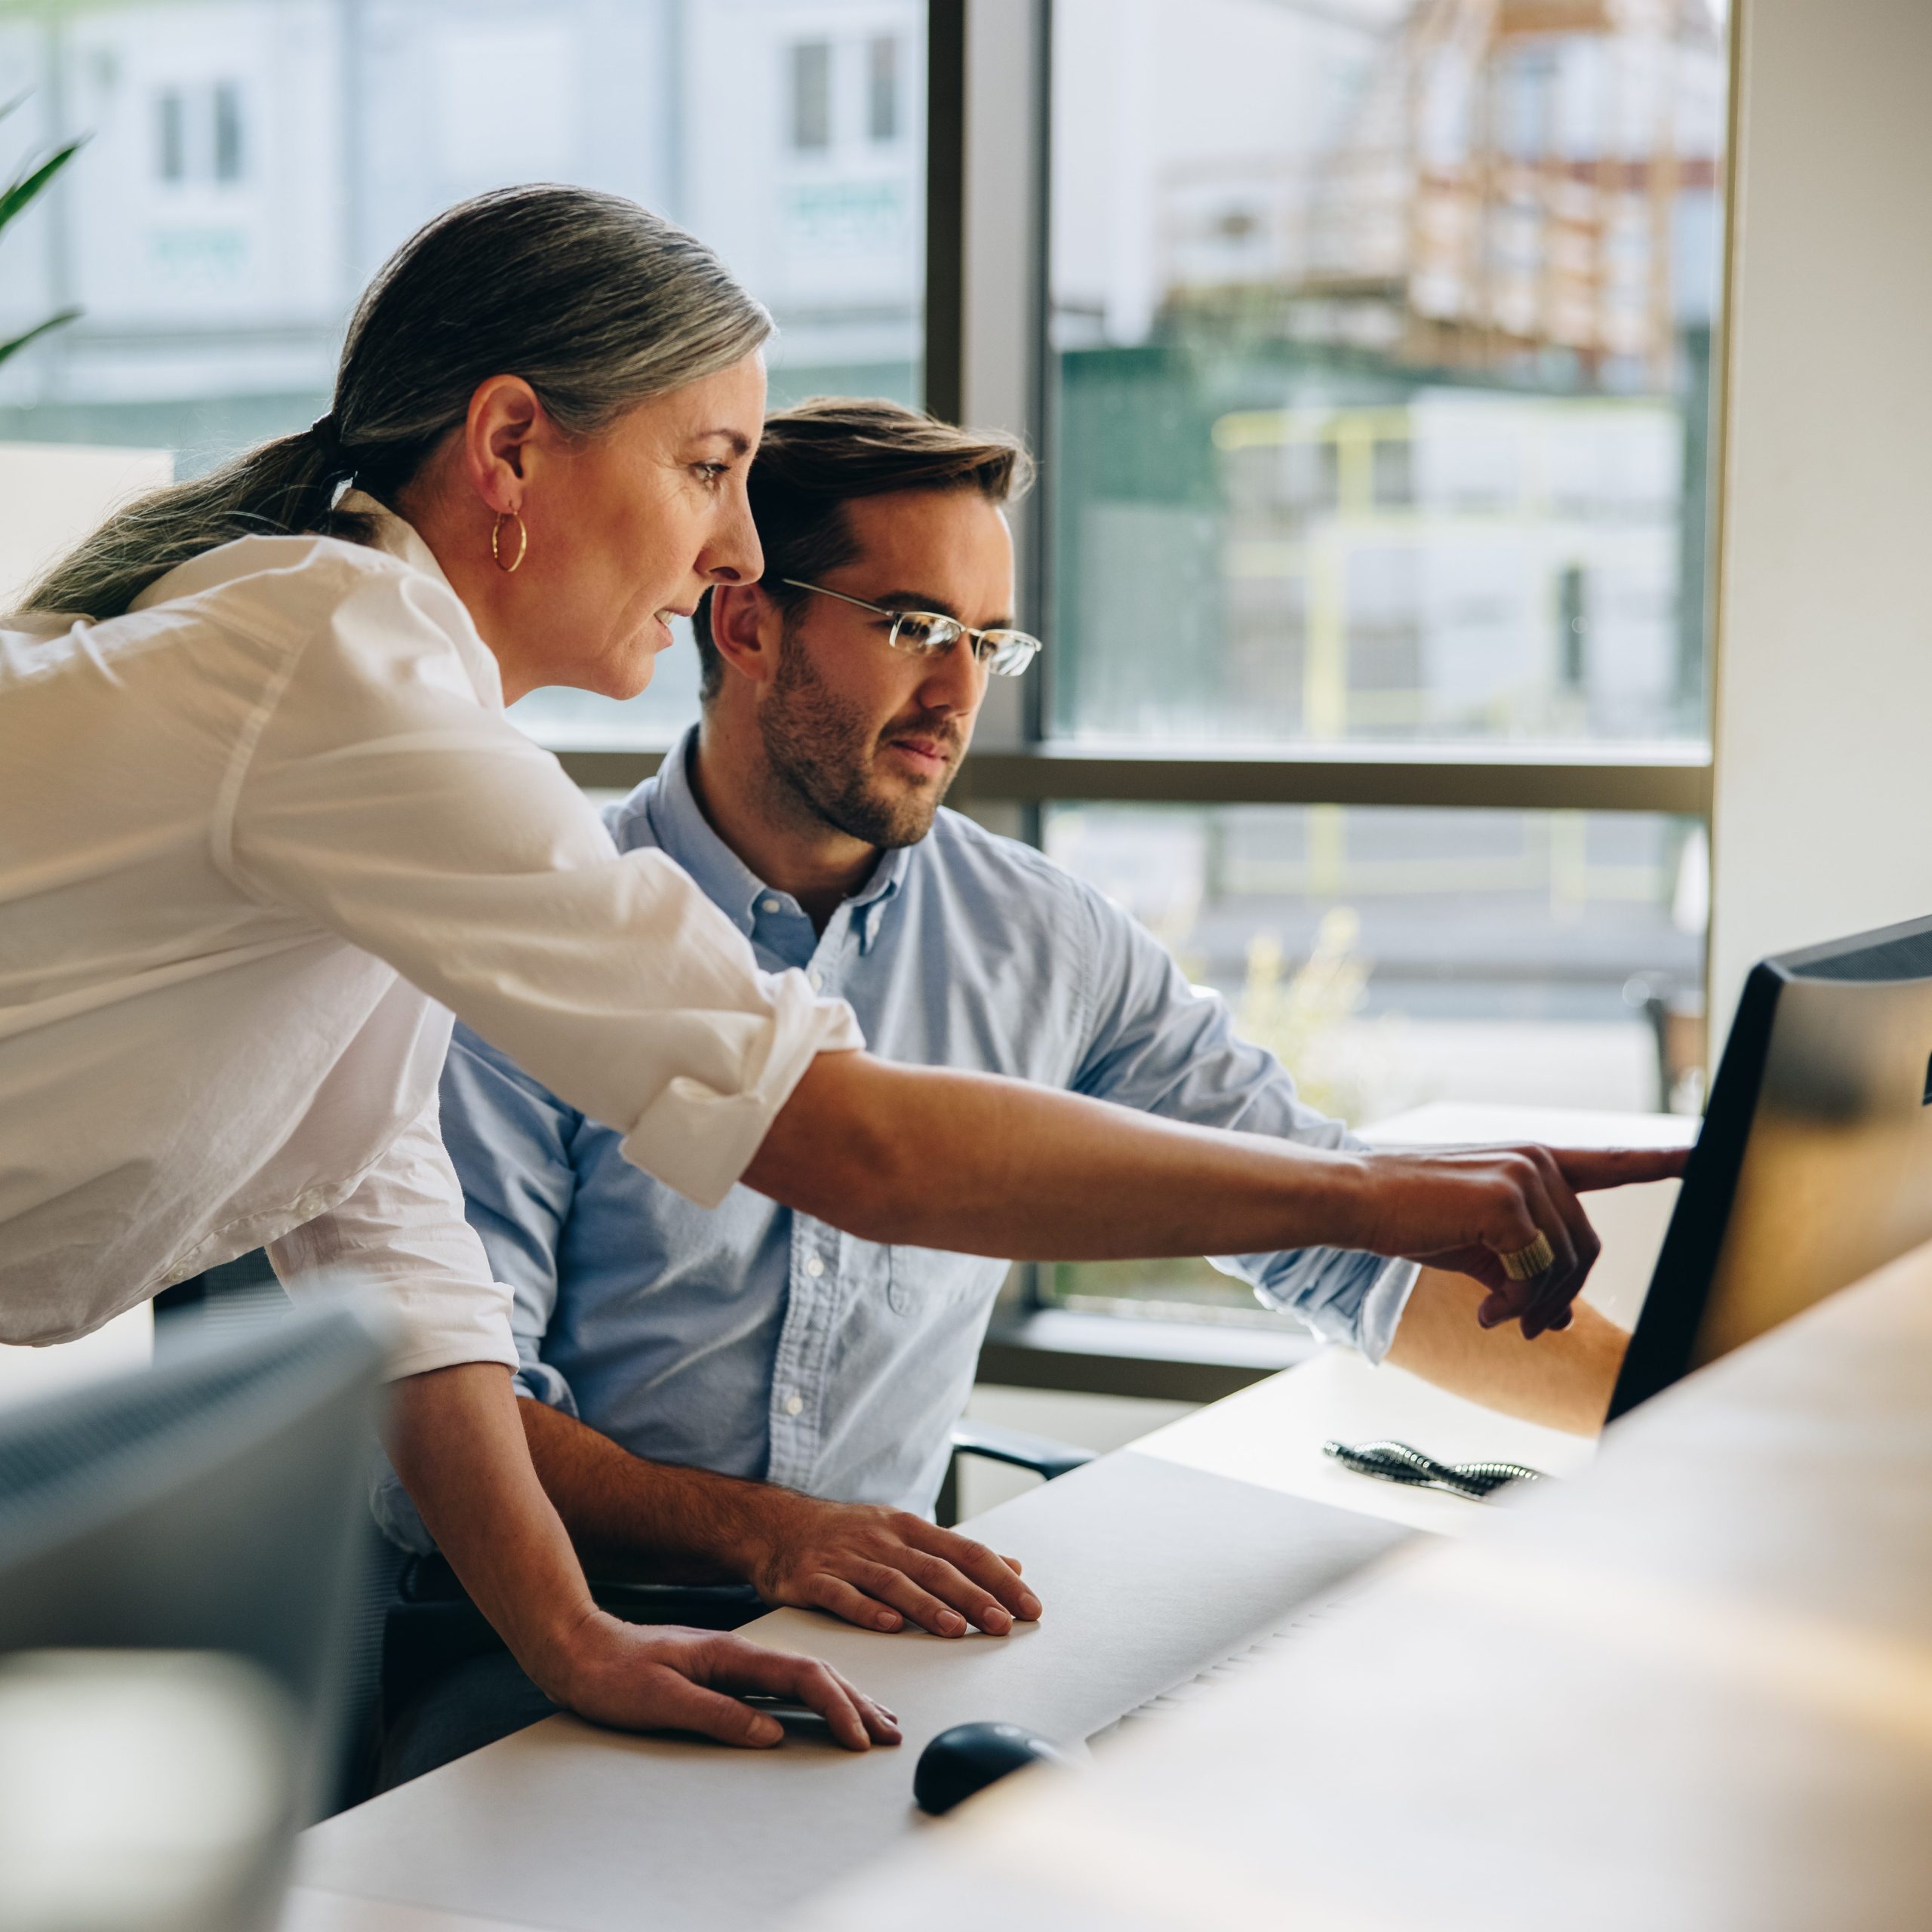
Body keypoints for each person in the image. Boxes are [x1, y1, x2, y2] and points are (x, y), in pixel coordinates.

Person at [0, 186, 1677, 1756]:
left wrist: (579, 1638)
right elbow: (846, 1140)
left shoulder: (378, 719)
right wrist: (1379, 1194)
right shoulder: (346, 675)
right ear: (510, 444)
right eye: (707, 465)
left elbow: (380, 1221)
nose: (733, 548)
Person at [371, 398, 1670, 1771]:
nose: (960, 695)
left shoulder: (1044, 940)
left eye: (988, 643)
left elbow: (1343, 1248)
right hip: (540, 1636)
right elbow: (460, 1405)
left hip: (880, 1639)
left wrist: (1675, 1421)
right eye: (917, 628)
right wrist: (773, 1532)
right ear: (744, 622)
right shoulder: (540, 933)